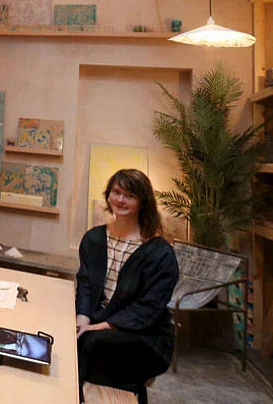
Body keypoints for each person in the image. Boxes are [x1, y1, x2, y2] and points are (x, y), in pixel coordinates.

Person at [75, 169, 179, 403]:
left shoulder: (160, 253)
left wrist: (99, 326)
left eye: (130, 196)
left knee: (90, 342)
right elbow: (85, 284)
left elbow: (148, 308)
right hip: (98, 319)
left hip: (145, 334)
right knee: (69, 334)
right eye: (116, 192)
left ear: (143, 202)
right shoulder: (94, 238)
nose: (120, 200)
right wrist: (82, 318)